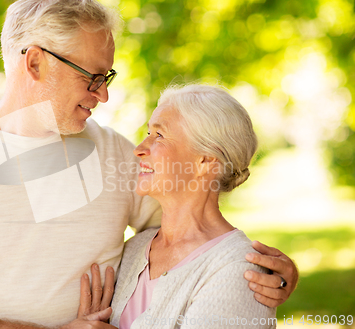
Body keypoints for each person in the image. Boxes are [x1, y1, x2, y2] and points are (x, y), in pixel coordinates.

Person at [0, 0, 298, 329]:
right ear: (35, 63)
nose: (103, 96)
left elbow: (189, 233)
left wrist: (265, 274)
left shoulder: (117, 153)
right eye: (92, 77)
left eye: (107, 77)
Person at [103, 84, 277, 327]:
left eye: (159, 135)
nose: (140, 149)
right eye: (148, 133)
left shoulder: (239, 271)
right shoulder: (135, 250)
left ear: (206, 160)